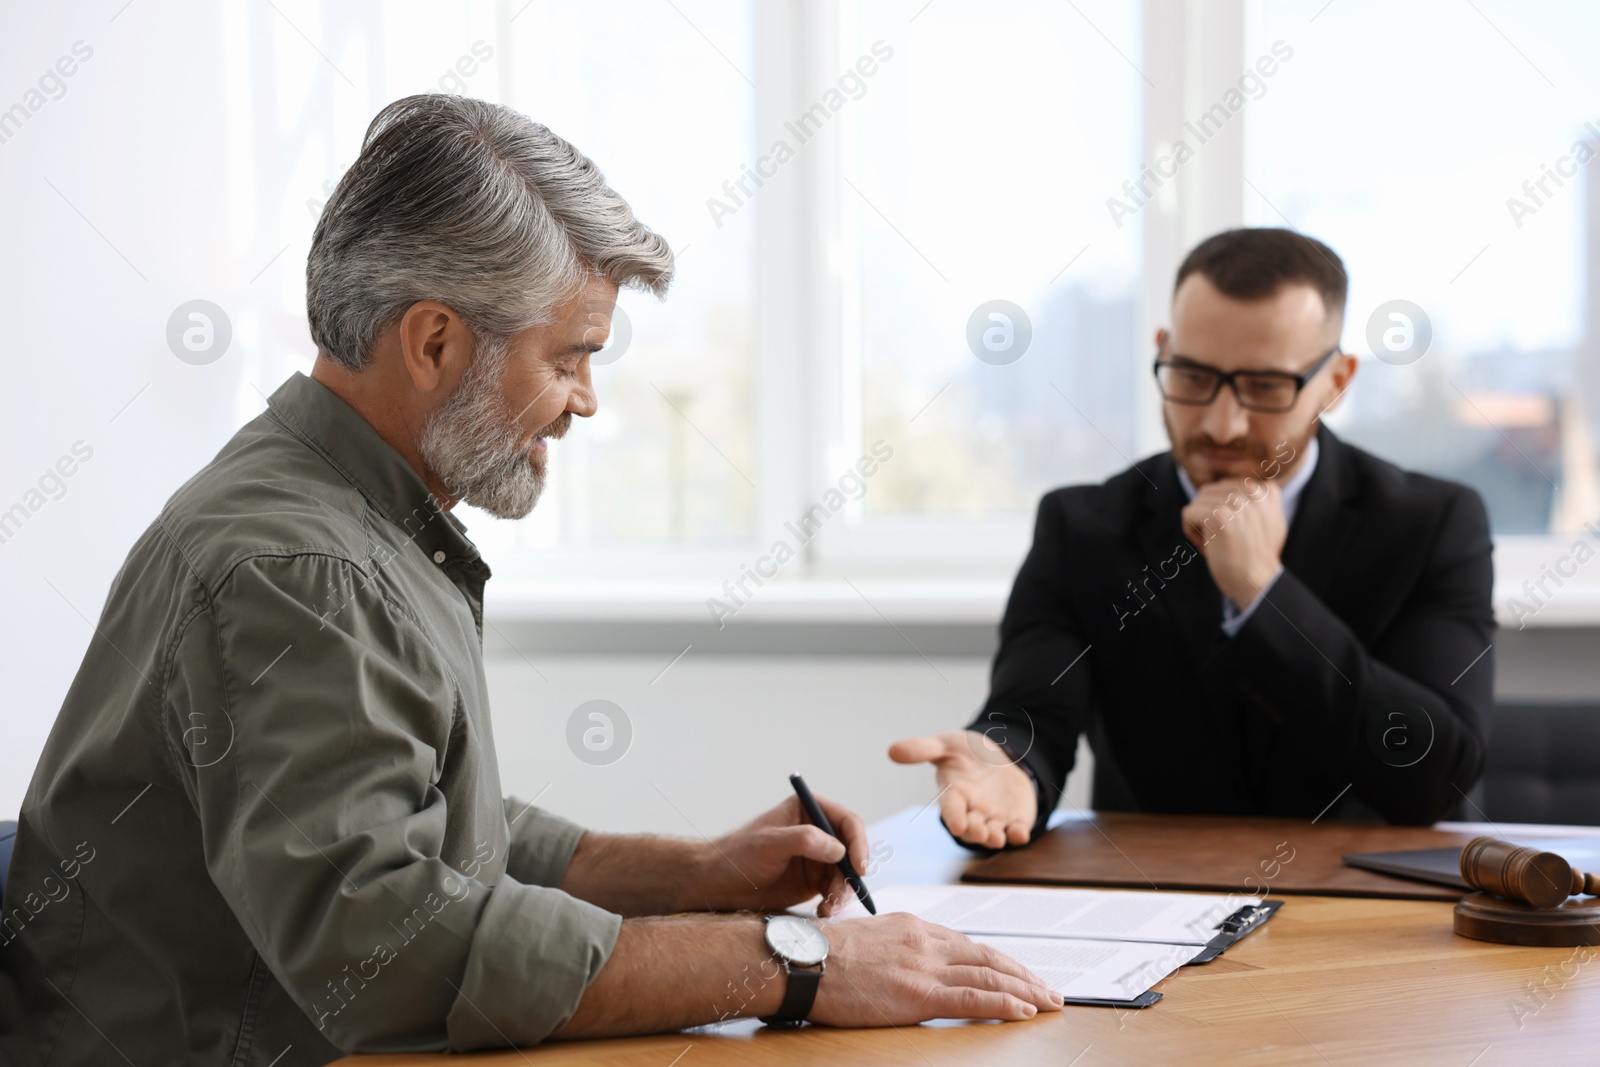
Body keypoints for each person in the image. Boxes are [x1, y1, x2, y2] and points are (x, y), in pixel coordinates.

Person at [0, 95, 1061, 1066]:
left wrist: (694, 872)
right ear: (433, 342)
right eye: (568, 357)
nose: (584, 402)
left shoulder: (336, 509)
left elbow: (426, 825)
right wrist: (799, 960)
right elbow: (391, 942)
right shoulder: (298, 570)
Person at [891, 228, 1495, 851]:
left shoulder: (1433, 523)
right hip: (1152, 904)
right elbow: (1033, 714)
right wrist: (1008, 766)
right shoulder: (1082, 528)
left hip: (1361, 909)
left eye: (1264, 387)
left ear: (1337, 381)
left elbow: (1435, 778)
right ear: (1162, 350)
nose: (1220, 423)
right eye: (1192, 375)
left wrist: (1265, 593)